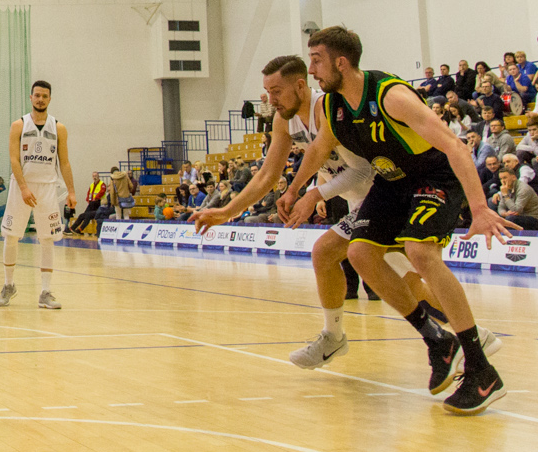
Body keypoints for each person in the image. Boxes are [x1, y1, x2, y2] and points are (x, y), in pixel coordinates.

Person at [195, 55, 484, 370]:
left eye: (276, 91)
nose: (271, 99)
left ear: (301, 86)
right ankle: (471, 338)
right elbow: (266, 175)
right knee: (401, 278)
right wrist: (227, 210)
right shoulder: (284, 119)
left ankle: (464, 341)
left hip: (381, 193)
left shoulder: (330, 108)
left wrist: (314, 192)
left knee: (342, 256)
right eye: (267, 91)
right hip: (358, 201)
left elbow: (362, 170)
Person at [285, 26, 515, 415]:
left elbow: (455, 145)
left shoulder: (392, 97)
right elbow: (319, 149)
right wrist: (295, 190)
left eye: (317, 60)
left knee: (421, 253)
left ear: (342, 62)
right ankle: (437, 341)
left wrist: (478, 207)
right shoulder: (331, 106)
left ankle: (481, 369)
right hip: (392, 182)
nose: (312, 71)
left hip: (434, 177)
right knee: (359, 253)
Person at [0, 80, 76, 309]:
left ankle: (45, 291)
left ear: (50, 99)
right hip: (21, 186)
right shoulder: (18, 125)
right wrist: (23, 187)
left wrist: (71, 190)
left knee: (47, 238)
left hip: (48, 187)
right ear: (31, 98)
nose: (40, 99)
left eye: (45, 96)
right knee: (11, 236)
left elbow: (65, 162)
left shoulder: (58, 128)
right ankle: (8, 285)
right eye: (37, 95)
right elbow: (14, 159)